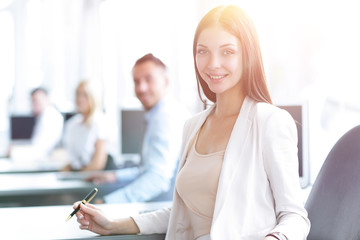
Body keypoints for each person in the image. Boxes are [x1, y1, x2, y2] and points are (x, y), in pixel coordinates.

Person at [74, 5, 310, 240]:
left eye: (227, 51)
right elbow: (182, 214)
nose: (212, 63)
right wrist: (113, 224)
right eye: (203, 51)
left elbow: (294, 216)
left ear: (247, 55)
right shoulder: (193, 126)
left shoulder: (269, 121)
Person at [87, 53, 190, 203]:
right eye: (136, 82)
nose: (141, 88)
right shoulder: (159, 113)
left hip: (165, 209)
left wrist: (109, 202)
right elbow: (149, 169)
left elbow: (157, 178)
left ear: (166, 81)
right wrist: (115, 176)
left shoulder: (165, 117)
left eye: (149, 80)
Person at [62, 80, 116, 171]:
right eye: (78, 94)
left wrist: (76, 176)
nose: (80, 99)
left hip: (97, 177)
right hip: (80, 173)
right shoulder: (72, 124)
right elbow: (73, 160)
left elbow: (98, 164)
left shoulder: (101, 123)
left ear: (94, 97)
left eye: (85, 95)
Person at [9, 87, 64, 162]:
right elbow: (35, 143)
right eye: (32, 101)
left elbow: (40, 150)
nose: (34, 105)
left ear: (47, 99)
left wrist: (14, 152)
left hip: (46, 163)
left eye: (37, 101)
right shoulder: (43, 116)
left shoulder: (50, 117)